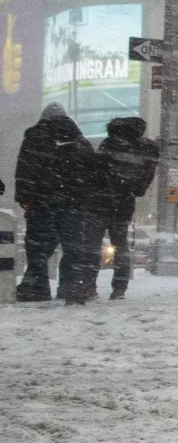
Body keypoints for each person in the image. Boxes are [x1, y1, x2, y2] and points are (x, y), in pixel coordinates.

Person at [13, 104, 98, 303]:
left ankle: (36, 288)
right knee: (73, 249)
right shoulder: (80, 141)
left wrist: (25, 198)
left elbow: (25, 171)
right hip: (74, 205)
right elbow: (92, 174)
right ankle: (71, 288)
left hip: (42, 204)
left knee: (38, 249)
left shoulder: (34, 139)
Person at [84, 117, 158, 300]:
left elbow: (96, 171)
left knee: (93, 246)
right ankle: (120, 287)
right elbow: (144, 181)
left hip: (99, 203)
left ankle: (88, 286)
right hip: (124, 205)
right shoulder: (143, 148)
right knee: (121, 246)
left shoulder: (109, 144)